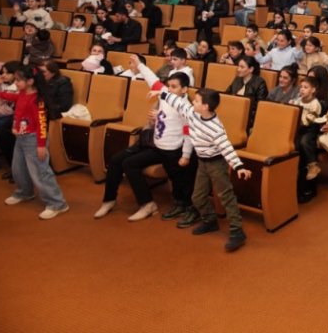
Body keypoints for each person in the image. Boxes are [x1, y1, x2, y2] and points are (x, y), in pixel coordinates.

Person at [149, 84, 251, 252]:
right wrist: (162, 93)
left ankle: (237, 231)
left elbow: (226, 147)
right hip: (202, 163)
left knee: (226, 197)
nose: (192, 103)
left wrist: (239, 166)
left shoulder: (215, 128)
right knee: (197, 196)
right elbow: (178, 103)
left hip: (216, 164)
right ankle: (210, 221)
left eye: (196, 101)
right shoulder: (192, 113)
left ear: (205, 107)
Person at [95, 65, 198, 224]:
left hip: (173, 150)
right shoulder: (165, 96)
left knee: (178, 180)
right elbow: (153, 81)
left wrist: (185, 154)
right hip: (157, 145)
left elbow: (187, 132)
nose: (169, 89)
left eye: (174, 87)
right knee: (124, 162)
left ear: (184, 89)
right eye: (168, 86)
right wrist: (139, 65)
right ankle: (136, 203)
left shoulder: (185, 107)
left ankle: (180, 205)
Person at [0, 66, 69, 219]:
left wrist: (41, 145)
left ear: (30, 81)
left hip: (33, 139)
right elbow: (13, 97)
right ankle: (24, 192)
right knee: (18, 169)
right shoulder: (22, 93)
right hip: (21, 138)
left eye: (19, 80)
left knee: (40, 173)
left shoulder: (38, 100)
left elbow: (42, 124)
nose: (16, 82)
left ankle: (57, 203)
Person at [224, 56, 268, 130]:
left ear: (251, 69)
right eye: (238, 66)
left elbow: (260, 107)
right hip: (232, 112)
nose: (238, 69)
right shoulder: (237, 79)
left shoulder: (260, 83)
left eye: (242, 67)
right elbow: (226, 95)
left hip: (248, 117)